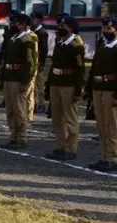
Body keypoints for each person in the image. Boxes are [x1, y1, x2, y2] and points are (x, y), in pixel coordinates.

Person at [44, 15, 84, 161]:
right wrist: (48, 87)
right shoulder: (60, 43)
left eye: (63, 26)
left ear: (70, 28)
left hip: (69, 85)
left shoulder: (76, 45)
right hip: (56, 82)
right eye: (59, 26)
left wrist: (78, 90)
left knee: (70, 118)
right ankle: (61, 146)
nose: (59, 28)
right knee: (57, 117)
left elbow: (80, 70)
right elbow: (53, 65)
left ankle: (71, 148)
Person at [0, 13, 37, 149]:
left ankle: (21, 138)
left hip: (18, 79)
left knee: (19, 110)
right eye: (12, 23)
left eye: (17, 23)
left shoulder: (27, 40)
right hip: (9, 77)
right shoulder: (12, 39)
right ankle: (13, 136)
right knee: (10, 109)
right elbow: (6, 59)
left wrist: (25, 81)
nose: (13, 25)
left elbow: (30, 63)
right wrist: (2, 77)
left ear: (23, 25)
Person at [85, 17, 117, 173]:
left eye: (109, 28)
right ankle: (105, 156)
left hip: (112, 89)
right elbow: (94, 68)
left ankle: (113, 157)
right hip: (99, 87)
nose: (106, 31)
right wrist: (89, 88)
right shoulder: (103, 44)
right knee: (102, 125)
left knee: (112, 125)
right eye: (104, 28)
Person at [0, 9, 20, 108]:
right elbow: (5, 45)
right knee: (3, 78)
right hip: (6, 57)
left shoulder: (17, 32)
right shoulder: (9, 31)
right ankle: (5, 99)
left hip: (14, 60)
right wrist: (1, 57)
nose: (11, 22)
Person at [30, 12, 49, 114]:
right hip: (32, 61)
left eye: (34, 19)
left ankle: (42, 103)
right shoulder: (32, 31)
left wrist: (41, 63)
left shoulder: (42, 32)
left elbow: (44, 49)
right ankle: (35, 103)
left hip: (38, 62)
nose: (33, 21)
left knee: (39, 84)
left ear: (39, 20)